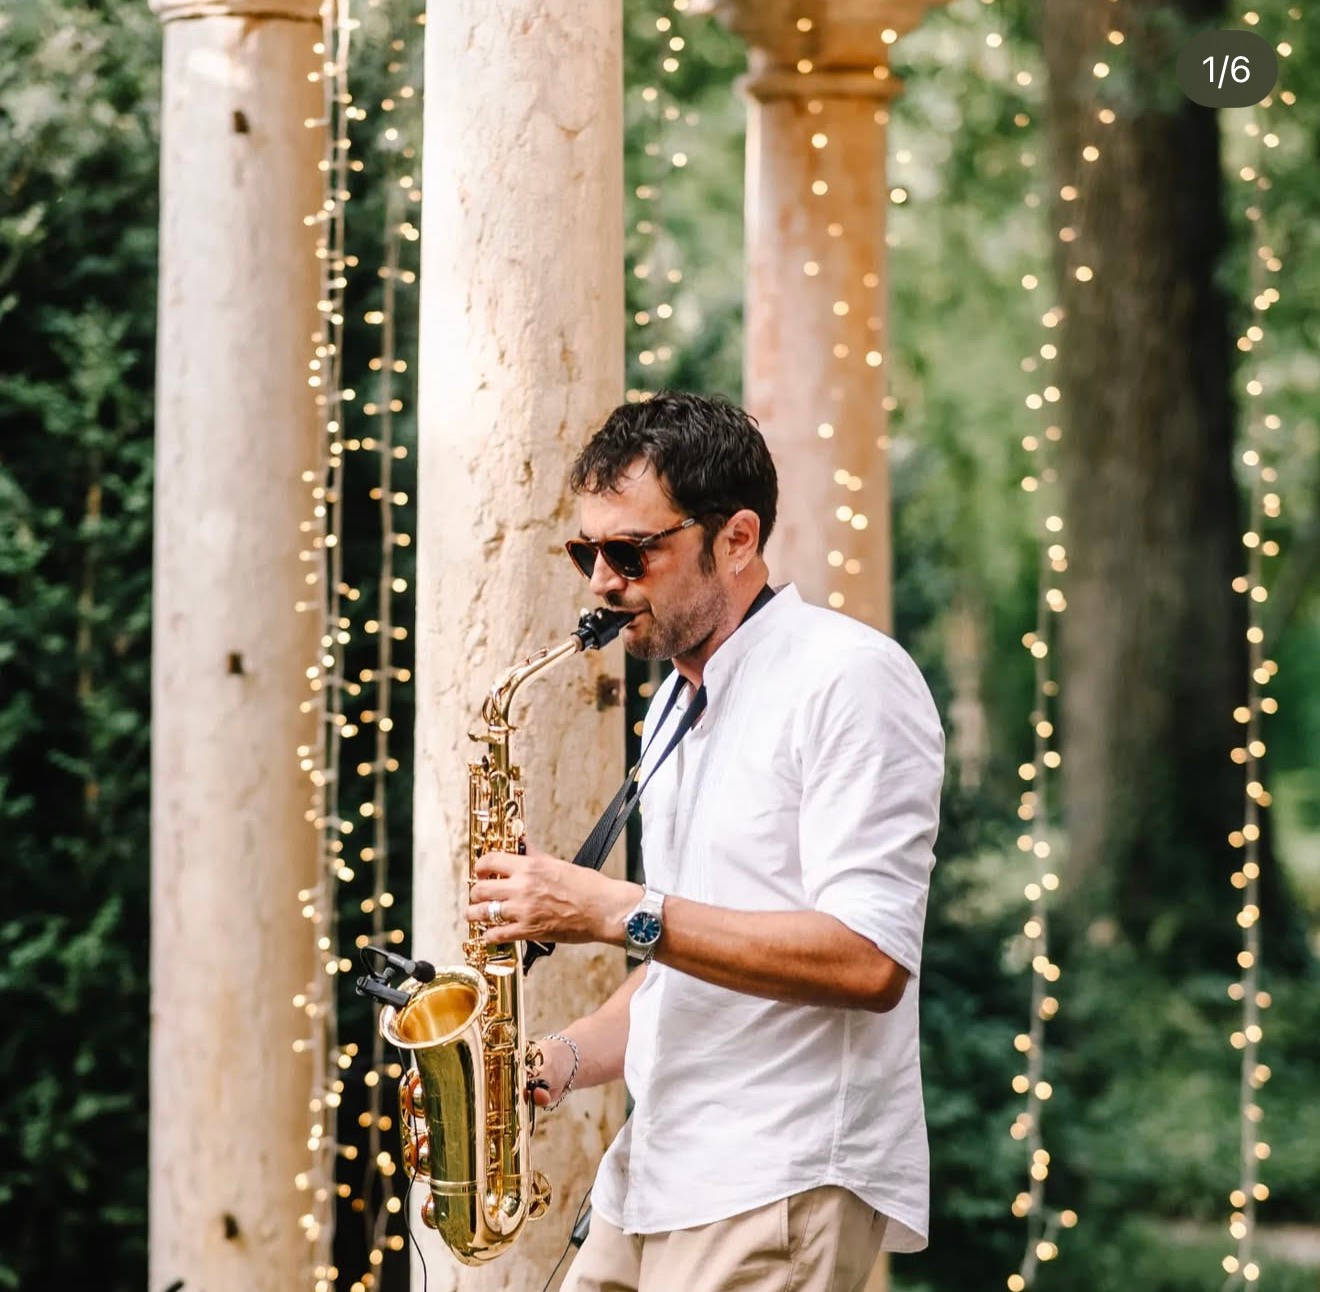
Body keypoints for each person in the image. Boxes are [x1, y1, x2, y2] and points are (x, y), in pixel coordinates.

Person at [465, 391, 945, 1292]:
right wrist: (556, 1061)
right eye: (586, 553)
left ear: (737, 539)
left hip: (776, 1176)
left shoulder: (848, 678)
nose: (601, 582)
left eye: (631, 552)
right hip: (657, 1172)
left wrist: (615, 910)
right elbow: (684, 962)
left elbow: (871, 960)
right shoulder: (673, 707)